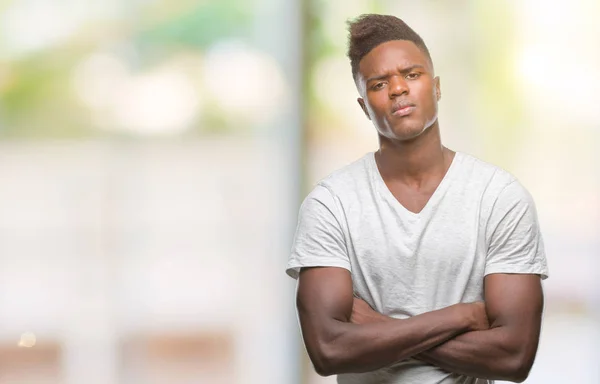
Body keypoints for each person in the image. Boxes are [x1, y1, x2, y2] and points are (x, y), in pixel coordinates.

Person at [285, 14, 549, 384]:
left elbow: (514, 357)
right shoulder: (331, 204)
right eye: (379, 83)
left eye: (411, 75)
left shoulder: (499, 198)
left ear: (436, 87)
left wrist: (377, 327)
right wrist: (459, 317)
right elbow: (328, 351)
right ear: (364, 106)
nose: (397, 89)